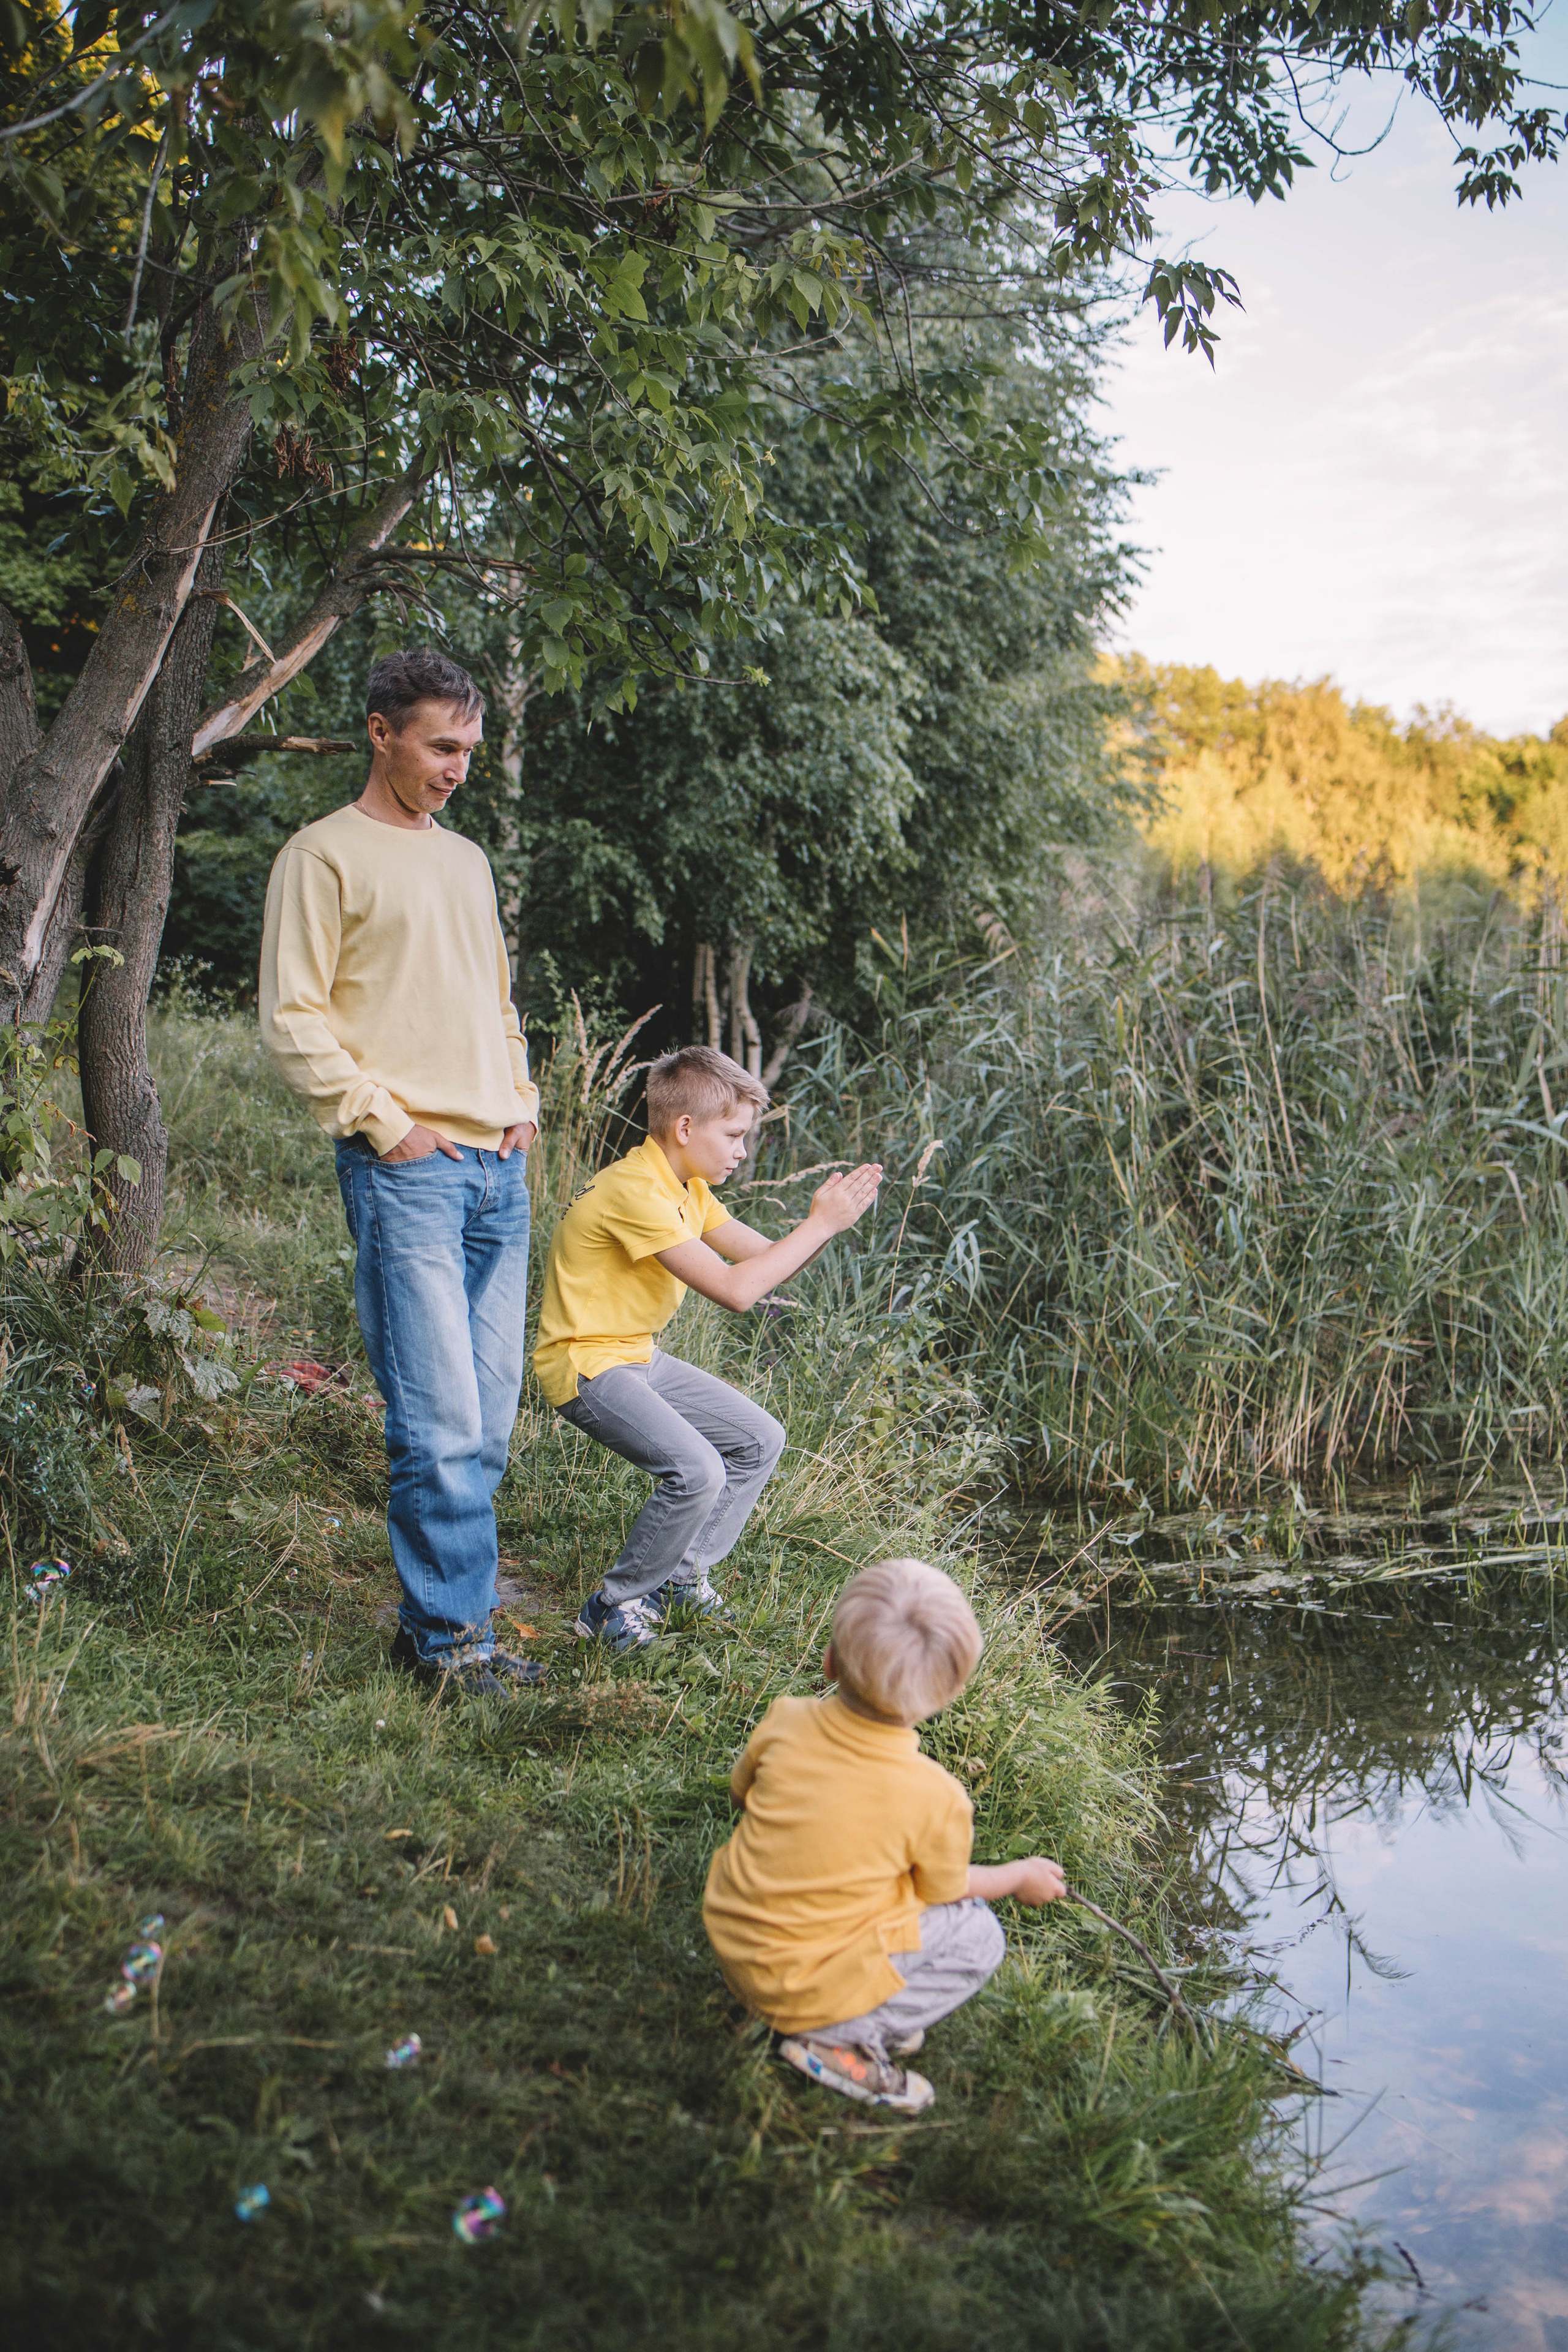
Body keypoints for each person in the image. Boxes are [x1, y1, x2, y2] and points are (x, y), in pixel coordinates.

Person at [258, 646, 545, 1697]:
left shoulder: (467, 860)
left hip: (497, 1170)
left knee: (489, 1422)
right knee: (438, 1425)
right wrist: (387, 1126)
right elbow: (293, 1020)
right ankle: (451, 1646)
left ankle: (442, 1622)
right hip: (409, 1171)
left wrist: (522, 1099)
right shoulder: (322, 856)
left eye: (469, 749)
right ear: (381, 733)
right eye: (441, 746)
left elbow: (493, 1001)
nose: (457, 767)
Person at [532, 1043, 883, 1652]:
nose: (742, 1152)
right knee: (697, 1470)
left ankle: (679, 1579)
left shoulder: (686, 1189)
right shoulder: (634, 1192)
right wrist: (819, 1224)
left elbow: (766, 1261)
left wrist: (828, 1222)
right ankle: (612, 1607)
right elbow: (736, 1291)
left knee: (759, 1440)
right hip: (584, 1364)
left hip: (635, 1357)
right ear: (686, 1128)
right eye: (735, 1135)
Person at [703, 1556, 1066, 2115]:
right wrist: (1020, 1876)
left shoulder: (786, 1719)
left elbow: (741, 1795)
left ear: (829, 1660)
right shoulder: (938, 1797)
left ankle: (793, 2005)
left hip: (734, 1943)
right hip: (797, 1984)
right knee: (977, 1934)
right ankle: (838, 2037)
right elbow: (944, 1890)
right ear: (946, 1696)